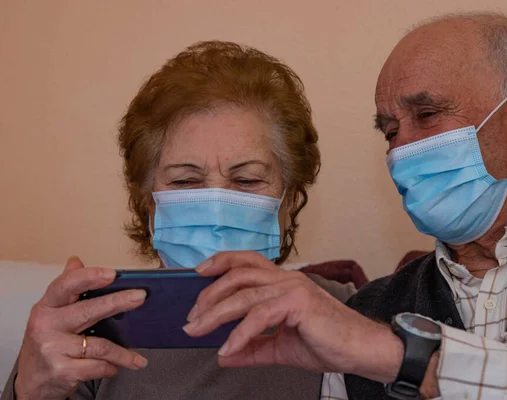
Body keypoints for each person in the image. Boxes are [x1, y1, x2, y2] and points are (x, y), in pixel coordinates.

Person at [181, 12, 507, 400]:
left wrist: (402, 356)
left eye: (428, 113)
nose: (402, 150)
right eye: (391, 131)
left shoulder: (360, 335)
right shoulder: (366, 310)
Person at [2, 41, 359, 400]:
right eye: (186, 181)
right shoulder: (90, 326)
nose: (217, 211)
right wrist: (32, 391)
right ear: (148, 204)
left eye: (247, 180)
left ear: (290, 200)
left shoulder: (346, 313)